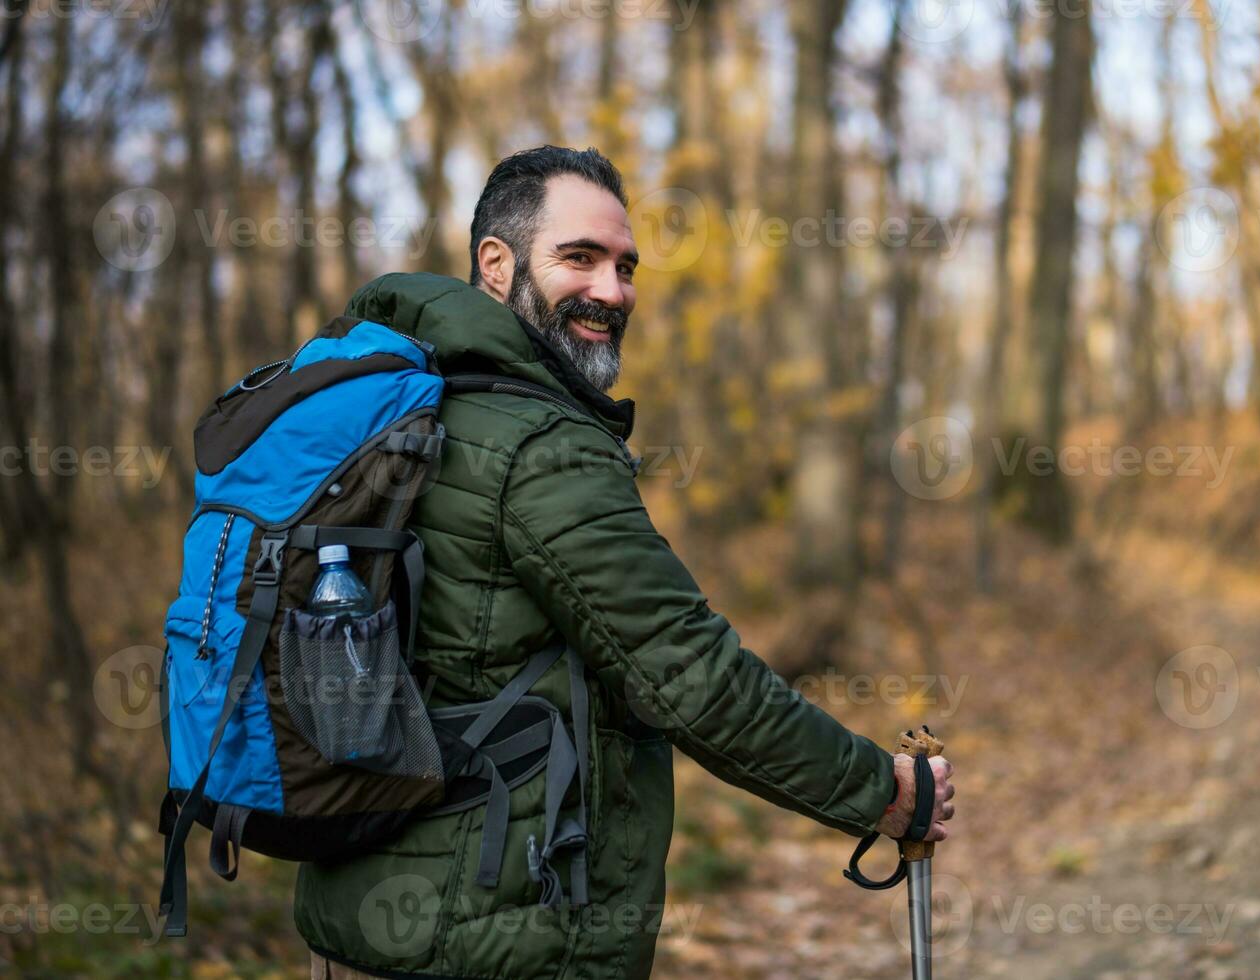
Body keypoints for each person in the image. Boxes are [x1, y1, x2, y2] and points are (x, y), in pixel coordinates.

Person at [296, 145, 956, 979]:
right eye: (580, 258)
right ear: (495, 266)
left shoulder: (414, 410)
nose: (612, 292)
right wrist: (885, 792)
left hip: (362, 923)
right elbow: (693, 676)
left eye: (626, 266)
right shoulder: (537, 448)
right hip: (486, 941)